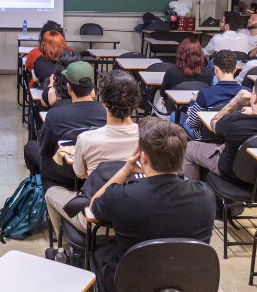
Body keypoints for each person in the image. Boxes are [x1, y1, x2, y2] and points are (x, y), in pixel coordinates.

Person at [91, 117, 216, 292]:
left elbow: (93, 206)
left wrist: (126, 170)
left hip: (128, 285)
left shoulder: (121, 196)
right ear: (181, 159)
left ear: (143, 157)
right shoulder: (206, 195)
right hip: (187, 284)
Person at [43, 69, 141, 233]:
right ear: (135, 102)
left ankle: (63, 249)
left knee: (51, 193)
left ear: (103, 102)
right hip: (135, 217)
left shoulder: (86, 139)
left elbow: (80, 173)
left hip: (96, 220)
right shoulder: (147, 137)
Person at [182, 75, 257, 182]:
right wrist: (254, 112)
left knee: (188, 148)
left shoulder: (236, 121)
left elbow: (214, 123)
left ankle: (194, 191)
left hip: (232, 174)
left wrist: (235, 102)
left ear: (255, 98)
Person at [24, 61, 106, 185]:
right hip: (94, 172)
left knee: (30, 147)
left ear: (69, 87)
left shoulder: (55, 115)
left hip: (62, 175)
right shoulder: (106, 113)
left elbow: (44, 149)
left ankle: (42, 189)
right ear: (92, 87)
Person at [184, 50, 249, 140]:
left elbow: (191, 124)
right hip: (235, 138)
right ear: (235, 69)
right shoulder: (247, 93)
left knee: (174, 115)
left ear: (216, 69)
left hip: (206, 139)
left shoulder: (205, 93)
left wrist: (193, 102)